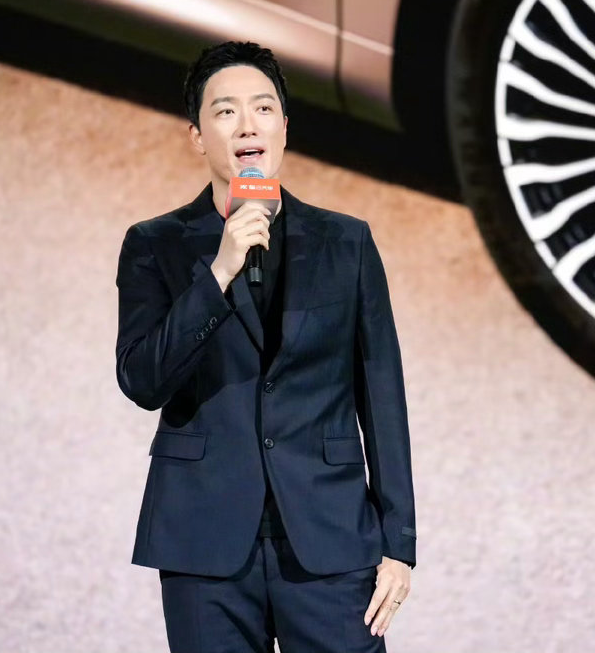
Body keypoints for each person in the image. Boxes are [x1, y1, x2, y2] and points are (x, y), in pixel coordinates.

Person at [115, 41, 416, 653]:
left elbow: (381, 394)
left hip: (330, 538)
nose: (247, 125)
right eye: (225, 111)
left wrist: (399, 543)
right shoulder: (154, 244)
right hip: (205, 541)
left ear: (283, 126)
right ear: (198, 136)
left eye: (263, 108)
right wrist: (218, 273)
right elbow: (143, 380)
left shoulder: (346, 242)